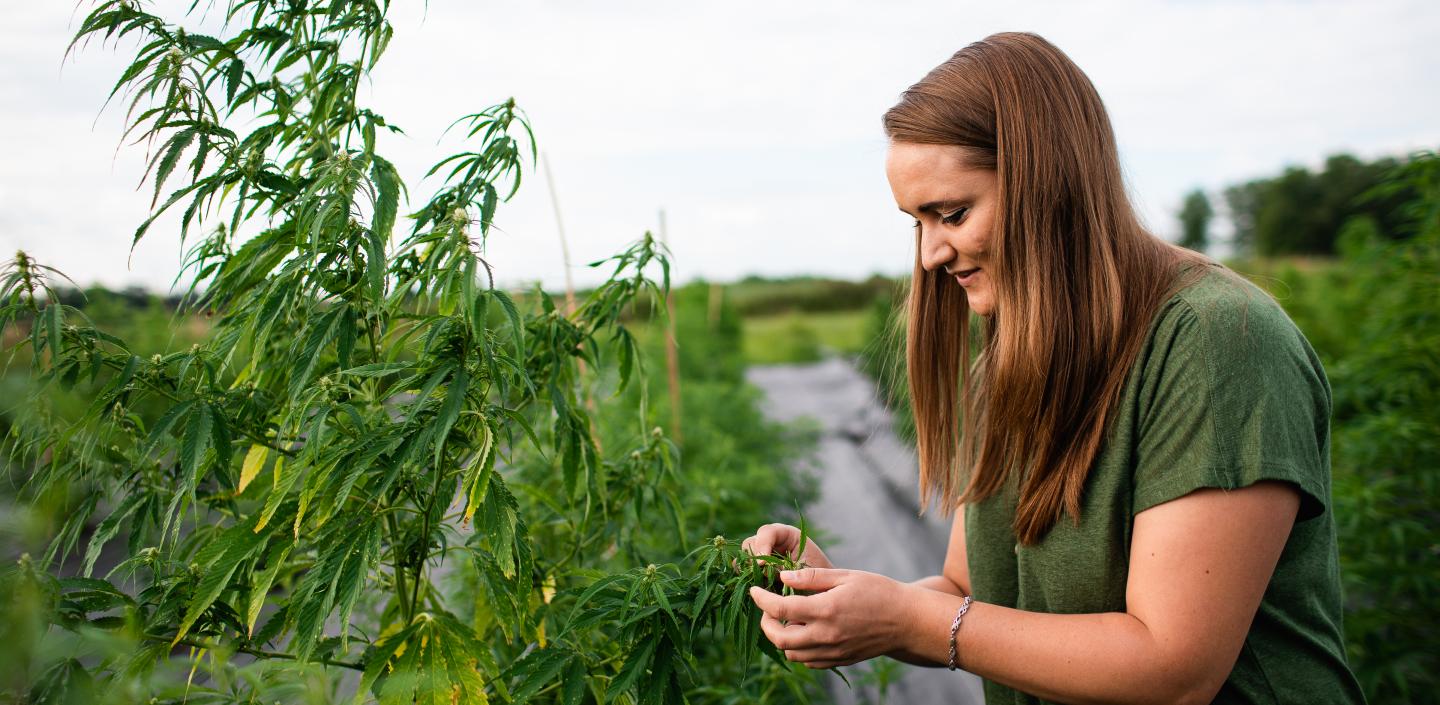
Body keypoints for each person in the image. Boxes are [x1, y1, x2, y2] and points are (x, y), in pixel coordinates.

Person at [742, 32, 1367, 705]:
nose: (929, 254)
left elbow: (1173, 667)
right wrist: (840, 598)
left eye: (951, 213)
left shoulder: (1217, 339)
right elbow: (964, 595)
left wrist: (911, 621)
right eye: (915, 222)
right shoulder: (1011, 362)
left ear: (1051, 182)